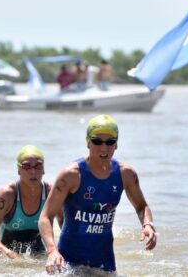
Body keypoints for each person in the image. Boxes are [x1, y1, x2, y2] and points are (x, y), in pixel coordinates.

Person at [39, 114, 157, 274]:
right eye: (97, 141)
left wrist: (147, 225)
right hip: (68, 262)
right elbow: (46, 216)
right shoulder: (71, 175)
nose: (104, 148)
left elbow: (141, 206)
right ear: (87, 142)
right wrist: (52, 250)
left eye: (110, 142)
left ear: (116, 144)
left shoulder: (126, 174)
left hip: (104, 263)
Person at [0, 145, 63, 259]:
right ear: (18, 170)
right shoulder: (7, 194)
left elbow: (64, 223)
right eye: (26, 166)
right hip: (7, 253)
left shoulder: (51, 193)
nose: (33, 171)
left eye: (38, 166)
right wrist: (9, 254)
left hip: (39, 252)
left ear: (43, 169)